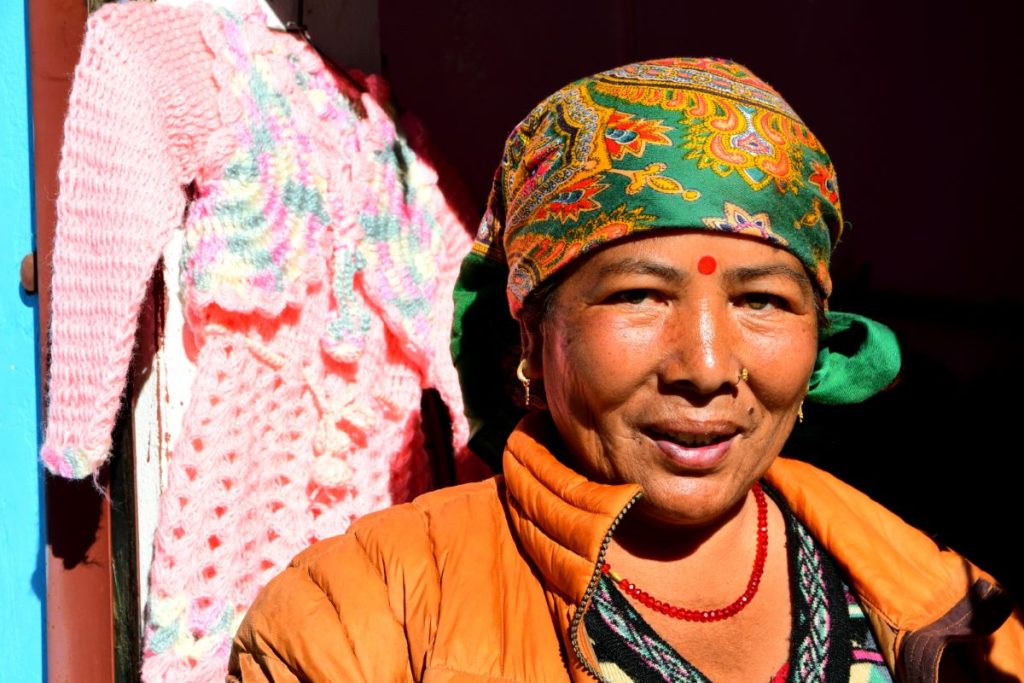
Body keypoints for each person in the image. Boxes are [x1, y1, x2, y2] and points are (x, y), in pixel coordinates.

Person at [228, 58, 1023, 682]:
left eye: (763, 302)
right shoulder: (359, 622)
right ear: (529, 339)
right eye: (639, 295)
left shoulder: (951, 606)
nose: (706, 368)